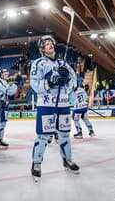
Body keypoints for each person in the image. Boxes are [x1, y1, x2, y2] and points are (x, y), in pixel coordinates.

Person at [30, 35, 79, 180]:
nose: (49, 45)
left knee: (64, 134)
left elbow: (74, 82)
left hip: (63, 102)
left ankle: (67, 159)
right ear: (42, 49)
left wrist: (67, 79)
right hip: (47, 103)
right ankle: (36, 163)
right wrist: (49, 83)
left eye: (51, 43)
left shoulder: (63, 63)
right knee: (44, 135)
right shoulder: (38, 63)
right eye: (46, 44)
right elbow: (34, 83)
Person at [0, 68, 17, 147]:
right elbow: (9, 91)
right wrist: (15, 85)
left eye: (7, 74)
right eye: (5, 74)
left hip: (4, 105)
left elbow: (9, 93)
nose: (7, 75)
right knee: (0, 123)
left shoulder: (5, 83)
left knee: (2, 122)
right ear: (1, 75)